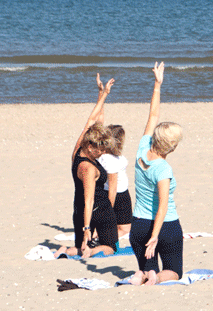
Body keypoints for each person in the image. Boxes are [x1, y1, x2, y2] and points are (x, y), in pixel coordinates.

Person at [128, 62, 186, 286]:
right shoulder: (163, 169)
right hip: (164, 226)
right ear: (172, 147)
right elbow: (162, 205)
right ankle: (156, 278)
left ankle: (143, 274)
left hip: (138, 225)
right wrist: (155, 236)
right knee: (174, 271)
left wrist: (157, 84)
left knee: (147, 266)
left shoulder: (142, 150)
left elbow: (152, 115)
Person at [59, 76, 117, 259]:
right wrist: (87, 229)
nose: (102, 153)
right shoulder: (89, 168)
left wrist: (103, 94)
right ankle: (90, 250)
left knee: (80, 246)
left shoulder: (78, 150)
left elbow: (92, 121)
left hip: (78, 210)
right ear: (91, 147)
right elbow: (89, 200)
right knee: (110, 247)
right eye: (100, 150)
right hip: (97, 211)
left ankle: (67, 250)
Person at [102, 124, 133, 247]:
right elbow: (113, 187)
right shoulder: (110, 160)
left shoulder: (108, 155)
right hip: (118, 195)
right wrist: (109, 209)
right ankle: (101, 236)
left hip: (120, 193)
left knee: (120, 226)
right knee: (125, 230)